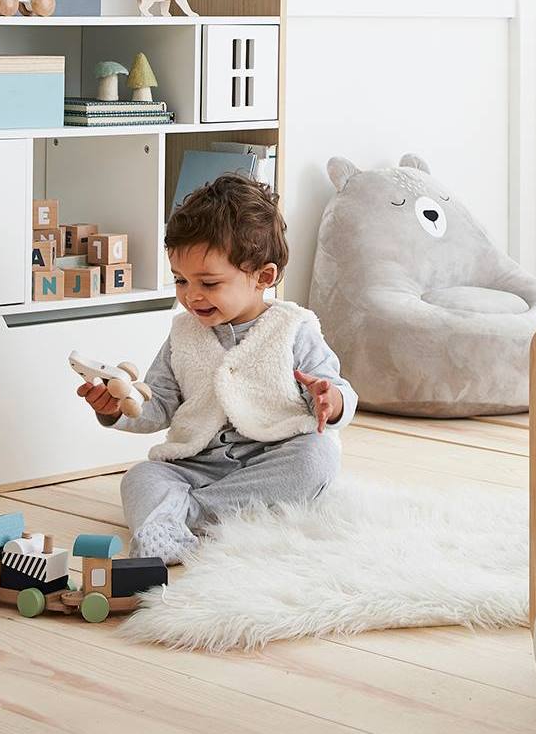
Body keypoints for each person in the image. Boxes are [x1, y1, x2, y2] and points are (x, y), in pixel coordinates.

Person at [78, 174, 356, 563]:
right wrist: (116, 410)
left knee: (317, 456)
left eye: (208, 283)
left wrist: (331, 400)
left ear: (263, 277)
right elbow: (158, 407)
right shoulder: (183, 335)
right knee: (141, 477)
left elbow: (337, 387)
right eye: (180, 280)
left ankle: (188, 515)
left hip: (272, 456)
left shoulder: (294, 328)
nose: (191, 295)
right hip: (196, 465)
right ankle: (191, 519)